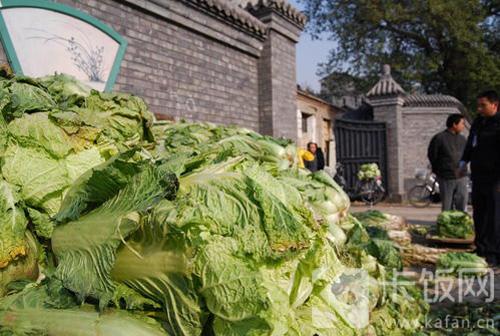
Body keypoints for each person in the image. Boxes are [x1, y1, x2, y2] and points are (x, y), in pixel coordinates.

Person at [458, 90, 500, 266]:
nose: (479, 108)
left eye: (483, 105)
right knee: (480, 213)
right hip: (478, 176)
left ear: (494, 105)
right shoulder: (477, 123)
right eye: (479, 105)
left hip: (496, 178)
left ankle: (494, 253)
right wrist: (463, 161)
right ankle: (481, 247)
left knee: (494, 216)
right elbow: (470, 143)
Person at [427, 114, 468, 211]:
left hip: (462, 176)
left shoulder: (463, 139)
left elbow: (467, 155)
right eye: (462, 123)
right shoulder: (439, 138)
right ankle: (447, 224)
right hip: (445, 176)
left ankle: (461, 224)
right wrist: (439, 170)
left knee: (462, 202)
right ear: (454, 124)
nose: (463, 126)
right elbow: (432, 155)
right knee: (447, 205)